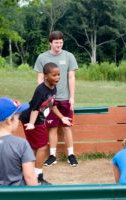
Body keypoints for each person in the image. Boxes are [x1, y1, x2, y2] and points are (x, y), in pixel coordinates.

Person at [20, 62, 72, 185]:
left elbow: (52, 105)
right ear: (46, 76)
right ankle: (37, 176)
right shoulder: (40, 91)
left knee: (34, 147)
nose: (57, 77)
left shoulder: (53, 87)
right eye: (54, 75)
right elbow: (35, 108)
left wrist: (62, 117)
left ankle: (27, 173)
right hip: (33, 119)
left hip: (37, 119)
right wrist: (32, 123)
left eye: (59, 74)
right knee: (42, 147)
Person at [34, 30, 79, 167]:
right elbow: (40, 78)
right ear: (50, 43)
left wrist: (72, 97)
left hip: (64, 98)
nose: (59, 45)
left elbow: (71, 77)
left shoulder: (69, 56)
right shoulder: (42, 57)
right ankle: (52, 156)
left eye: (61, 42)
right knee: (52, 128)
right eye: (56, 42)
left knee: (66, 126)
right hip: (49, 99)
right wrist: (43, 96)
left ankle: (71, 154)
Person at [0, 97, 38, 186]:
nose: (19, 120)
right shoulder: (22, 144)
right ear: (9, 120)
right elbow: (29, 176)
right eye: (18, 117)